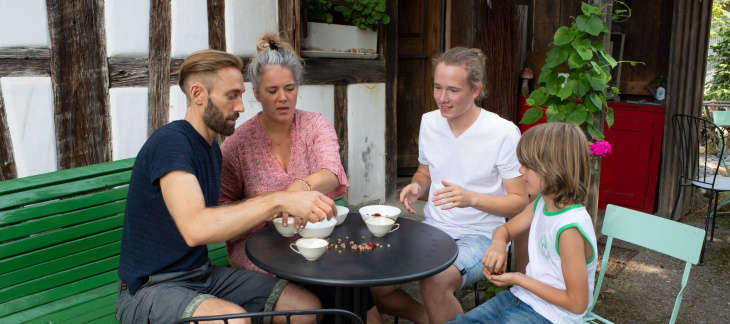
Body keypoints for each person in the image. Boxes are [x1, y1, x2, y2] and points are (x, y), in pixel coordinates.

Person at [116, 49, 336, 324]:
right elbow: (196, 228)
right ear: (198, 94)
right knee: (235, 321)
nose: (241, 107)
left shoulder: (212, 151)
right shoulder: (171, 143)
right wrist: (278, 200)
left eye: (241, 95)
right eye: (231, 96)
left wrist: (277, 209)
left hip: (201, 275)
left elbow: (221, 215)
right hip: (149, 289)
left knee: (305, 308)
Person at [220, 33, 396, 324]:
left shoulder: (314, 125)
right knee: (335, 283)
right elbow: (223, 208)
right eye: (272, 90)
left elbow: (331, 172)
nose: (283, 98)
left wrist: (298, 188)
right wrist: (269, 206)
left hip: (315, 238)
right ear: (255, 92)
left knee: (348, 280)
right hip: (259, 249)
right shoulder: (238, 145)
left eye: (290, 88)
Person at [399, 47, 530, 324]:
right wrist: (416, 187)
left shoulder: (503, 132)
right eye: (437, 87)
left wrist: (471, 199)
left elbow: (519, 199)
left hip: (481, 236)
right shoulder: (429, 122)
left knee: (435, 281)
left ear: (475, 90)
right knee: (375, 279)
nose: (442, 99)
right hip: (433, 228)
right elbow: (425, 173)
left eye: (453, 91)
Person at [448, 122, 598, 324]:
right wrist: (498, 245)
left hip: (551, 316)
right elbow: (505, 229)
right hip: (520, 298)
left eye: (528, 165)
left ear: (553, 169)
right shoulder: (541, 203)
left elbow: (577, 303)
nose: (520, 170)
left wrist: (518, 278)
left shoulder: (569, 229)